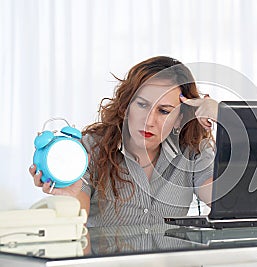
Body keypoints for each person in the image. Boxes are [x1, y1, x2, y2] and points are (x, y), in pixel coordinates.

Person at [29, 56, 218, 226]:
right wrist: (69, 199)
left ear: (179, 118)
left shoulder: (193, 152)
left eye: (164, 111)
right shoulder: (89, 150)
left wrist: (224, 116)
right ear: (127, 106)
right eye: (142, 105)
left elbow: (228, 204)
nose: (149, 121)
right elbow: (76, 224)